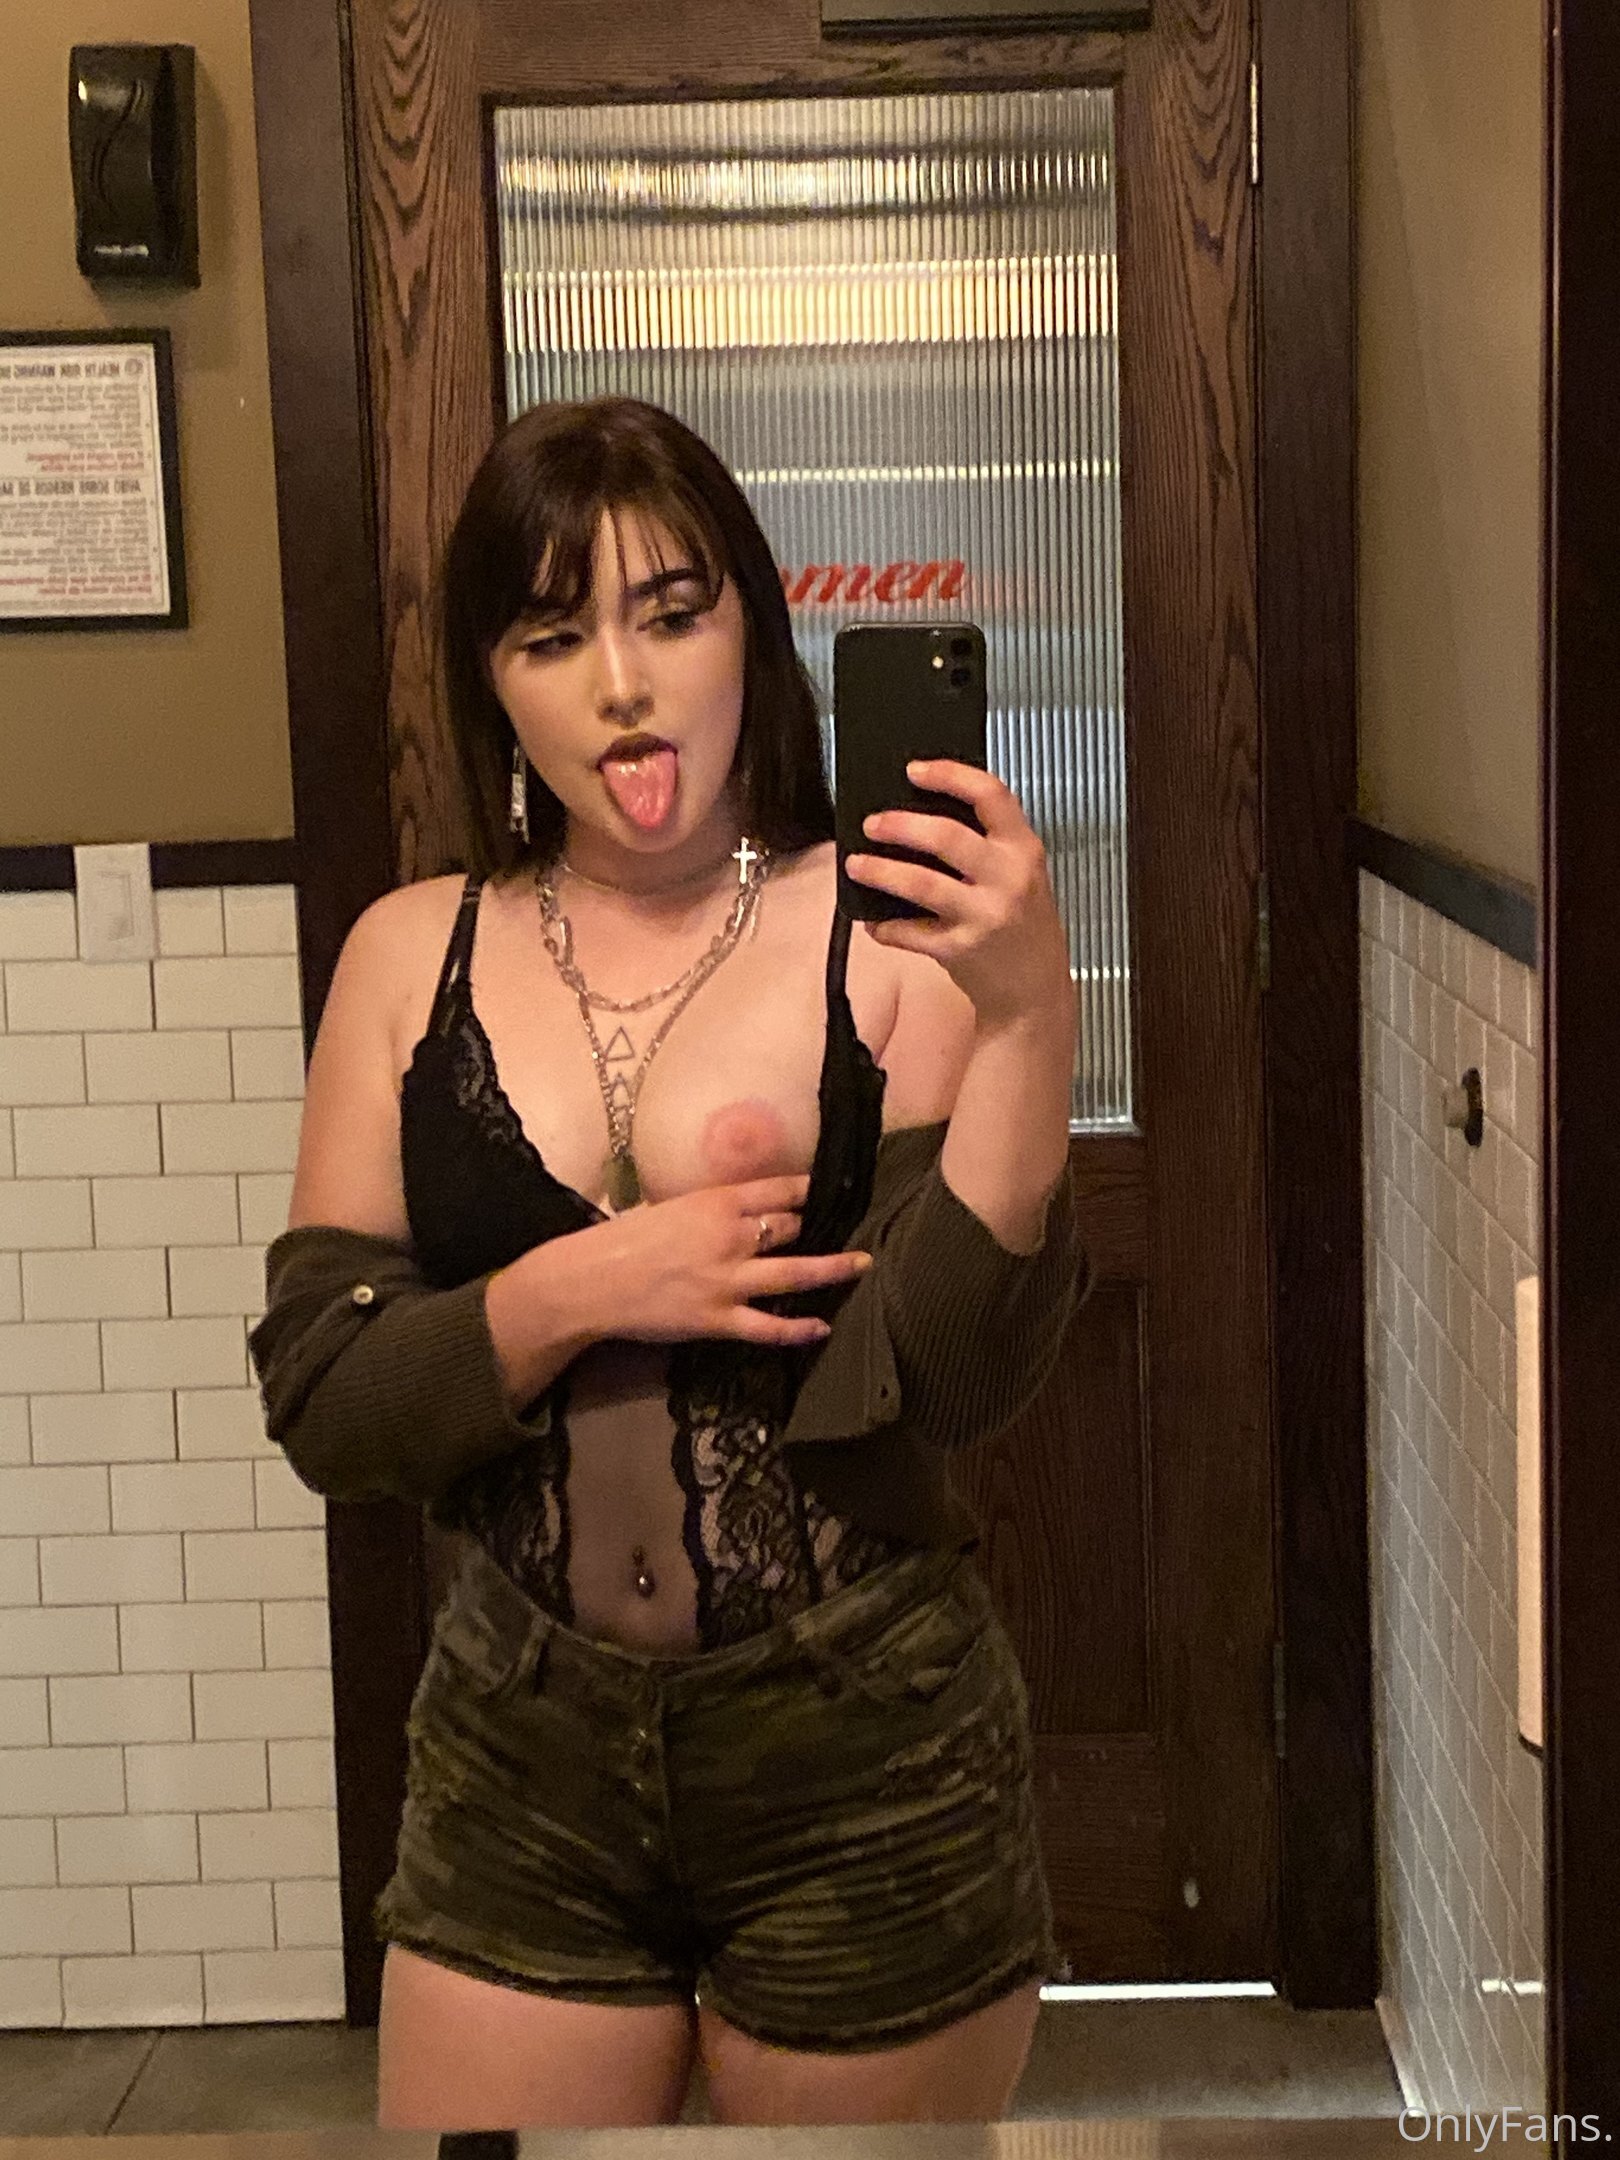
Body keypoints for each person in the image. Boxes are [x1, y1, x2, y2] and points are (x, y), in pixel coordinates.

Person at [247, 395, 1091, 2132]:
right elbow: (329, 1397)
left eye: (671, 614)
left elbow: (948, 1378)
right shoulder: (407, 958)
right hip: (521, 1755)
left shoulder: (890, 935)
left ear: (751, 636)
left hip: (861, 1741)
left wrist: (1028, 1020)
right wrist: (586, 1287)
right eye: (553, 636)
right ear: (494, 684)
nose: (622, 686)